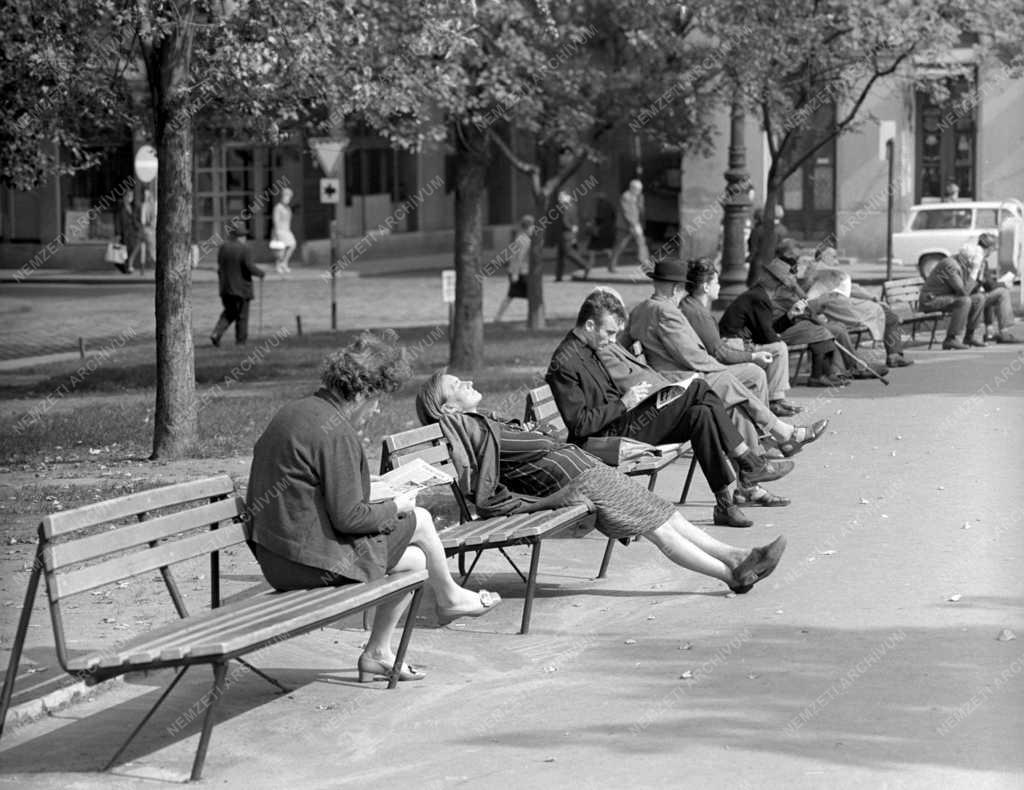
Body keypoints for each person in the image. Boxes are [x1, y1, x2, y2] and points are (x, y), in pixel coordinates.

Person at [246, 334, 502, 683]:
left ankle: (378, 653)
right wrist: (395, 505)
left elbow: (319, 495)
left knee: (415, 562)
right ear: (363, 393)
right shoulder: (336, 432)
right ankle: (451, 597)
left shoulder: (297, 411)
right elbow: (349, 517)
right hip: (306, 563)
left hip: (278, 557)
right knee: (420, 518)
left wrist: (378, 497)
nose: (378, 409)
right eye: (378, 400)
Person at [416, 372, 787, 594]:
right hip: (579, 484)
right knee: (657, 526)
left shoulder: (482, 424)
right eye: (457, 385)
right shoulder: (471, 429)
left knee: (663, 513)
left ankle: (738, 560)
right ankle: (733, 572)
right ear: (449, 410)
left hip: (587, 473)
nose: (467, 381)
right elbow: (485, 479)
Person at [545, 289, 794, 528]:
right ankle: (748, 462)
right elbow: (579, 425)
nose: (612, 340)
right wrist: (625, 403)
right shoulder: (564, 362)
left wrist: (634, 402)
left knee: (701, 414)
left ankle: (725, 504)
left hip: (625, 421)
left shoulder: (590, 347)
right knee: (698, 387)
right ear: (589, 325)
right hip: (607, 438)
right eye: (608, 332)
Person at [625, 258, 828, 466]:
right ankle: (775, 440)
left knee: (746, 379)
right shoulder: (665, 311)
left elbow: (624, 346)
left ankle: (763, 448)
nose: (684, 293)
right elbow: (692, 357)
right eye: (684, 288)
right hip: (682, 381)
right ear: (677, 287)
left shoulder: (640, 309)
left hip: (677, 378)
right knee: (732, 382)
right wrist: (724, 369)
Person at [680, 257, 802, 416]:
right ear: (706, 287)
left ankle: (771, 410)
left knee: (773, 353)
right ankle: (770, 411)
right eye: (716, 282)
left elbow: (764, 332)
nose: (719, 286)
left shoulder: (694, 307)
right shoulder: (757, 297)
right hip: (725, 350)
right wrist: (753, 356)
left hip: (719, 355)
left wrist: (789, 316)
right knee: (767, 360)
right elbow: (721, 352)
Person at [720, 240, 845, 387]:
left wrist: (790, 315)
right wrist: (778, 337)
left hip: (749, 339)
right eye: (784, 279)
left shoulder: (766, 293)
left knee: (801, 338)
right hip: (736, 343)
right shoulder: (760, 296)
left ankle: (779, 396)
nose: (792, 280)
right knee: (781, 346)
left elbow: (770, 329)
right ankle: (778, 396)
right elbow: (767, 334)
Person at [804, 246, 914, 368]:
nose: (837, 261)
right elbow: (813, 298)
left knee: (887, 314)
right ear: (822, 257)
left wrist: (872, 298)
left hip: (847, 309)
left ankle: (891, 355)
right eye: (833, 256)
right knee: (888, 315)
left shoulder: (834, 275)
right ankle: (889, 357)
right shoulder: (819, 275)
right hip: (843, 313)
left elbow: (852, 288)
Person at [919, 243, 988, 350]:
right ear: (968, 259)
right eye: (975, 260)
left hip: (947, 297)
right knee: (964, 301)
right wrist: (974, 271)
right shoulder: (950, 265)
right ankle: (951, 339)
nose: (976, 262)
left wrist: (980, 274)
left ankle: (970, 336)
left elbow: (971, 290)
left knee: (979, 298)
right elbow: (964, 292)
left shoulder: (962, 263)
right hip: (931, 300)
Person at [211, 226, 265, 346]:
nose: (245, 238)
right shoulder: (244, 249)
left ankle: (216, 333)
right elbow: (249, 267)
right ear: (240, 236)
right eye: (244, 236)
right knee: (242, 316)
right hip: (242, 289)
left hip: (225, 288)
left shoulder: (223, 247)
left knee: (229, 312)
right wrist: (261, 273)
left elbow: (220, 265)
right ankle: (241, 342)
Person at [970, 232, 1018, 344]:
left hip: (975, 294)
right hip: (970, 296)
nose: (993, 252)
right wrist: (1004, 284)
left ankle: (990, 332)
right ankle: (1004, 332)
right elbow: (990, 285)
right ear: (989, 247)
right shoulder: (979, 259)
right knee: (1002, 293)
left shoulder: (981, 259)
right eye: (993, 249)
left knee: (993, 293)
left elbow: (988, 285)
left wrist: (998, 283)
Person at [494, 214, 533, 322]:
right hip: (521, 273)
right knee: (531, 295)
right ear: (528, 227)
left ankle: (498, 316)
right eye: (532, 227)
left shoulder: (519, 237)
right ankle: (533, 317)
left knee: (511, 296)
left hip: (517, 272)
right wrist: (515, 273)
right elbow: (519, 259)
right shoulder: (525, 241)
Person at [608, 179, 650, 272]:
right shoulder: (626, 196)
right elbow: (627, 212)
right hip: (625, 226)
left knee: (641, 243)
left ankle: (645, 263)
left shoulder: (638, 197)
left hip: (635, 224)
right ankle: (611, 265)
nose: (639, 191)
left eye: (640, 189)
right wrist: (634, 225)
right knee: (620, 245)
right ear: (632, 188)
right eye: (637, 189)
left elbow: (640, 210)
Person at [553, 191, 591, 281]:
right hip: (568, 232)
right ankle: (558, 276)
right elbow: (575, 220)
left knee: (568, 252)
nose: (559, 199)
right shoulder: (572, 206)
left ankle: (585, 265)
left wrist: (571, 228)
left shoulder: (565, 207)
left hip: (566, 233)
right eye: (559, 197)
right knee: (561, 255)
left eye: (561, 197)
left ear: (567, 197)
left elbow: (565, 221)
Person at [114, 191, 143, 274]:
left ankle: (129, 263)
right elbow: (117, 221)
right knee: (125, 250)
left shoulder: (134, 207)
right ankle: (127, 267)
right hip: (124, 233)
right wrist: (118, 233)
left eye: (132, 196)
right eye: (128, 196)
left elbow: (138, 220)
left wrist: (132, 215)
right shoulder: (120, 208)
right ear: (124, 197)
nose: (130, 198)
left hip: (134, 232)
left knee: (135, 246)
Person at [586, 192, 616, 271]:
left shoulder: (600, 206)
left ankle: (589, 266)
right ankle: (611, 265)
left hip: (599, 231)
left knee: (592, 249)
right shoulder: (610, 205)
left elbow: (599, 218)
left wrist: (592, 224)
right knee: (607, 249)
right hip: (607, 230)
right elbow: (613, 216)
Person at [271, 187, 297, 274]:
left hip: (287, 230)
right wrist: (277, 233)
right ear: (282, 197)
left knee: (292, 245)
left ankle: (284, 263)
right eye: (286, 196)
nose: (288, 198)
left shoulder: (288, 208)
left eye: (289, 197)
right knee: (281, 250)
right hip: (280, 230)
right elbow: (276, 220)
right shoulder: (278, 207)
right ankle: (278, 265)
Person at [139, 185, 157, 276]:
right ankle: (154, 266)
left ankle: (142, 269)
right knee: (151, 249)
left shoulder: (146, 205)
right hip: (150, 230)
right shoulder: (153, 205)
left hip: (147, 230)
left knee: (145, 249)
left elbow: (143, 220)